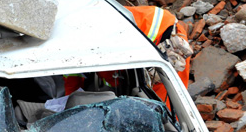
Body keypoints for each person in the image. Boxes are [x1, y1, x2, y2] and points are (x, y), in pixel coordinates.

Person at [64, 6, 192, 104]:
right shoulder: (70, 44)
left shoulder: (96, 41)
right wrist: (68, 101)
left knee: (167, 99)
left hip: (165, 39)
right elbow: (73, 77)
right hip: (142, 34)